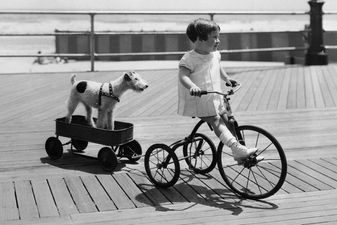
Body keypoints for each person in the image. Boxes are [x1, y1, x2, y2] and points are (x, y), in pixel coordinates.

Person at [177, 18, 257, 164]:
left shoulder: (215, 54)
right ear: (200, 39)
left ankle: (239, 152)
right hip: (200, 98)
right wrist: (192, 87)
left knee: (229, 121)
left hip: (215, 96)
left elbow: (217, 67)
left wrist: (227, 78)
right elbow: (183, 76)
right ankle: (236, 148)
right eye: (214, 37)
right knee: (216, 121)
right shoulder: (189, 58)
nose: (218, 40)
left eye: (218, 36)